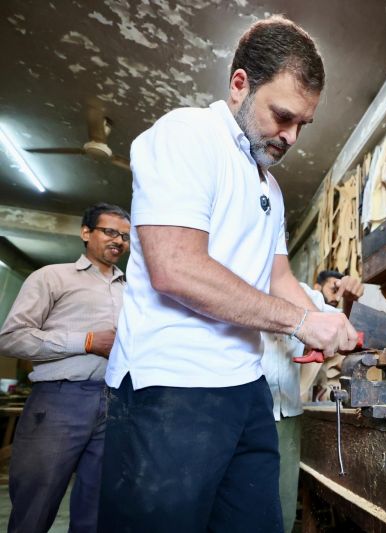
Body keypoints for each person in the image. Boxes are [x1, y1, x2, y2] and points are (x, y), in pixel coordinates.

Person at [97, 15, 358, 532]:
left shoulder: (272, 189)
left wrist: (326, 316)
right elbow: (176, 268)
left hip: (246, 387)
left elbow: (277, 276)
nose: (292, 137)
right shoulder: (187, 135)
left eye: (303, 124)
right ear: (240, 84)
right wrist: (300, 324)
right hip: (171, 388)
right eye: (282, 116)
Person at [0, 203, 131, 533]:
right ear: (86, 233)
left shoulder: (134, 291)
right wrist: (87, 341)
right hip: (59, 402)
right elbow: (12, 339)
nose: (119, 241)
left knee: (96, 511)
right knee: (35, 505)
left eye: (126, 236)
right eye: (110, 231)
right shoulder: (51, 277)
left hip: (115, 403)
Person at [263, 270, 364, 532]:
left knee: (280, 512)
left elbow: (346, 333)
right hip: (246, 404)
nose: (335, 293)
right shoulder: (244, 277)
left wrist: (350, 300)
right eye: (333, 287)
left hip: (287, 414)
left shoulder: (308, 298)